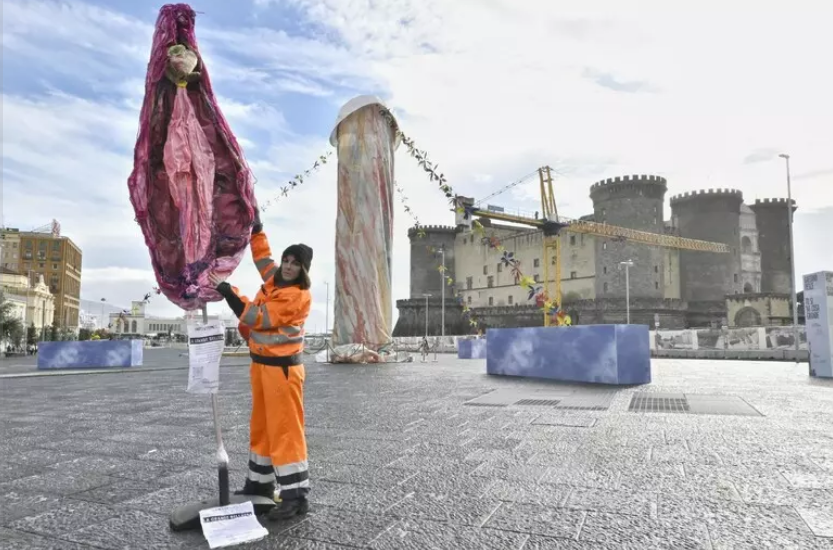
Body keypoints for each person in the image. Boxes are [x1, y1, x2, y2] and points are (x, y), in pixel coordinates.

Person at [208, 211, 313, 521]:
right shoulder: (274, 278)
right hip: (262, 367)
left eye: (296, 264)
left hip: (282, 370)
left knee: (285, 431)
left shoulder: (297, 296)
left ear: (304, 270)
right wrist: (257, 227)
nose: (290, 267)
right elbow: (262, 257)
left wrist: (228, 291)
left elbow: (255, 317)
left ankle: (295, 497)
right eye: (288, 261)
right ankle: (260, 485)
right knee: (263, 428)